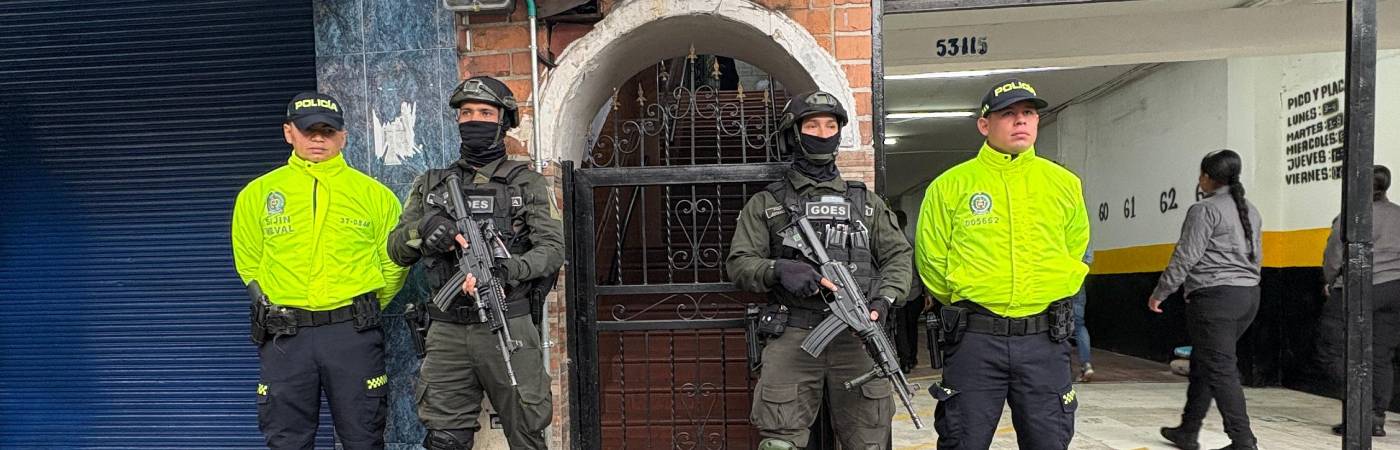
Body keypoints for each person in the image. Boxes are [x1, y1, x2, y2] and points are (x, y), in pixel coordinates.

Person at [727, 90, 914, 450]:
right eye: (812, 125)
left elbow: (898, 257)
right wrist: (778, 268)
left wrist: (885, 298)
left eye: (831, 125)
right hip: (794, 333)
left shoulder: (866, 203)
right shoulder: (767, 204)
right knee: (779, 443)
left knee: (869, 440)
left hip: (859, 336)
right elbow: (740, 262)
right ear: (793, 133)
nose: (823, 132)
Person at [386, 76, 564, 450]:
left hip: (507, 322)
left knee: (527, 431)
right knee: (444, 437)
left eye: (485, 112)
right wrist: (427, 229)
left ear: (503, 121)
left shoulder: (526, 184)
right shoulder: (431, 184)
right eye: (466, 113)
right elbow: (397, 249)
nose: (474, 120)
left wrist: (504, 270)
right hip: (447, 328)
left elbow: (551, 250)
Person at [916, 79, 1090, 450]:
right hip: (976, 340)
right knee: (963, 440)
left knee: (1049, 441)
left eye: (1028, 113)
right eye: (1008, 114)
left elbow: (1075, 247)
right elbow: (931, 261)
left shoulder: (1064, 184)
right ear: (984, 125)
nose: (1020, 121)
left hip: (1044, 341)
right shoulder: (950, 186)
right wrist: (971, 298)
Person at [231, 92, 408, 449]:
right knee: (286, 440)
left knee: (363, 437)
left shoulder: (375, 195)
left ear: (343, 136)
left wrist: (358, 307)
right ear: (288, 133)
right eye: (308, 130)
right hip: (286, 337)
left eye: (327, 131)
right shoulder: (258, 194)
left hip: (352, 334)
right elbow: (249, 260)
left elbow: (392, 264)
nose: (317, 139)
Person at [1150, 149, 1262, 450]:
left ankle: (1243, 441)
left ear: (1208, 178)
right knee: (1204, 363)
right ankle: (1188, 431)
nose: (1199, 180)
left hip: (1215, 299)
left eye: (1201, 174)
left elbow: (1185, 256)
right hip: (1248, 296)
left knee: (1221, 368)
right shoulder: (1250, 209)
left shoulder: (1204, 209)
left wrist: (1160, 292)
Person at [1324, 165, 1400, 437]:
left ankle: (1356, 414)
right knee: (1381, 355)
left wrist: (1330, 281)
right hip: (1394, 289)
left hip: (1358, 287)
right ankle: (1376, 418)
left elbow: (1335, 256)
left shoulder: (1350, 215)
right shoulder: (1398, 215)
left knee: (1335, 351)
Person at [893, 210, 927, 373]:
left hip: (898, 293)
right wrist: (927, 293)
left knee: (900, 328)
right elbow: (922, 269)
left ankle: (905, 360)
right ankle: (911, 358)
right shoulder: (913, 242)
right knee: (911, 326)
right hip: (914, 292)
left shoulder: (891, 243)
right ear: (906, 223)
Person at [1073, 246, 1095, 382]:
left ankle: (1058, 368)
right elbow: (1088, 259)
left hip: (1057, 280)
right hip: (1078, 280)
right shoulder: (1082, 226)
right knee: (1079, 325)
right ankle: (1086, 365)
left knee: (1053, 322)